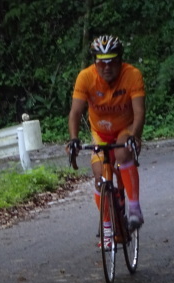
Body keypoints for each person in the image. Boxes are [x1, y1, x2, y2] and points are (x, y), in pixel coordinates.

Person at [67, 35, 145, 248]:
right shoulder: (85, 77)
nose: (107, 67)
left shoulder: (132, 75)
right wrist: (74, 139)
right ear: (95, 62)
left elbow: (139, 112)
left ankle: (135, 208)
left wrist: (134, 135)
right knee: (100, 176)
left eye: (112, 62)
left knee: (121, 154)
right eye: (101, 62)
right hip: (100, 133)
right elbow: (75, 112)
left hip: (125, 128)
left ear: (121, 60)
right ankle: (108, 230)